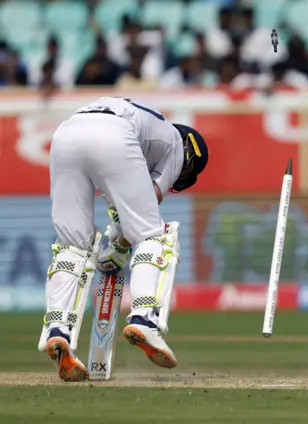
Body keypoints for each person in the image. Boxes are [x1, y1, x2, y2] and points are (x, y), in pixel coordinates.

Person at [42, 97, 208, 381]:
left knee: (72, 245)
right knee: (155, 236)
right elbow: (144, 210)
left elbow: (120, 210)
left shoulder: (146, 132)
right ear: (190, 156)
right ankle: (144, 319)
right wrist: (120, 247)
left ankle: (58, 333)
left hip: (66, 133)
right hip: (113, 134)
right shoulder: (176, 146)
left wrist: (118, 245)